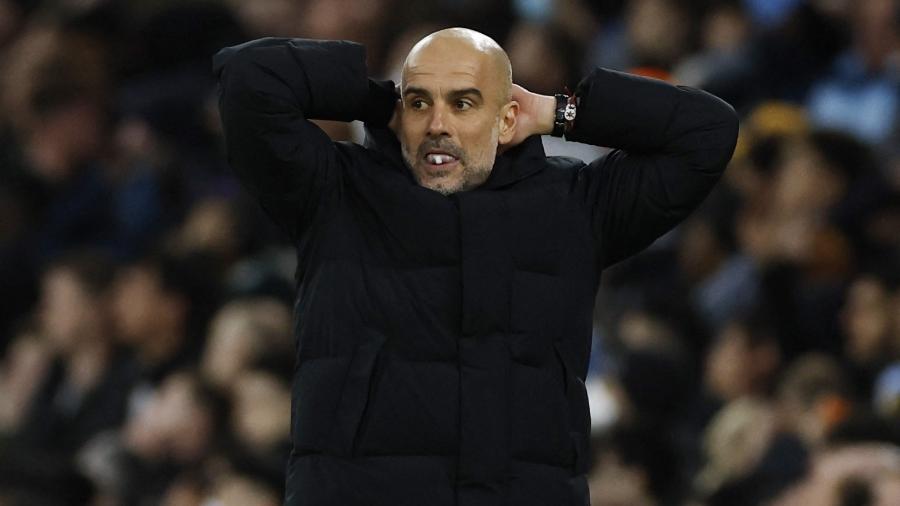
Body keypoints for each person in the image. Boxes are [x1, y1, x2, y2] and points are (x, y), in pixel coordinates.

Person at [213, 27, 738, 506]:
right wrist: (381, 98)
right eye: (421, 103)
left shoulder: (576, 204)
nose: (437, 125)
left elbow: (706, 132)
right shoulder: (337, 191)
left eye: (463, 103)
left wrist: (558, 112)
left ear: (507, 116)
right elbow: (247, 79)